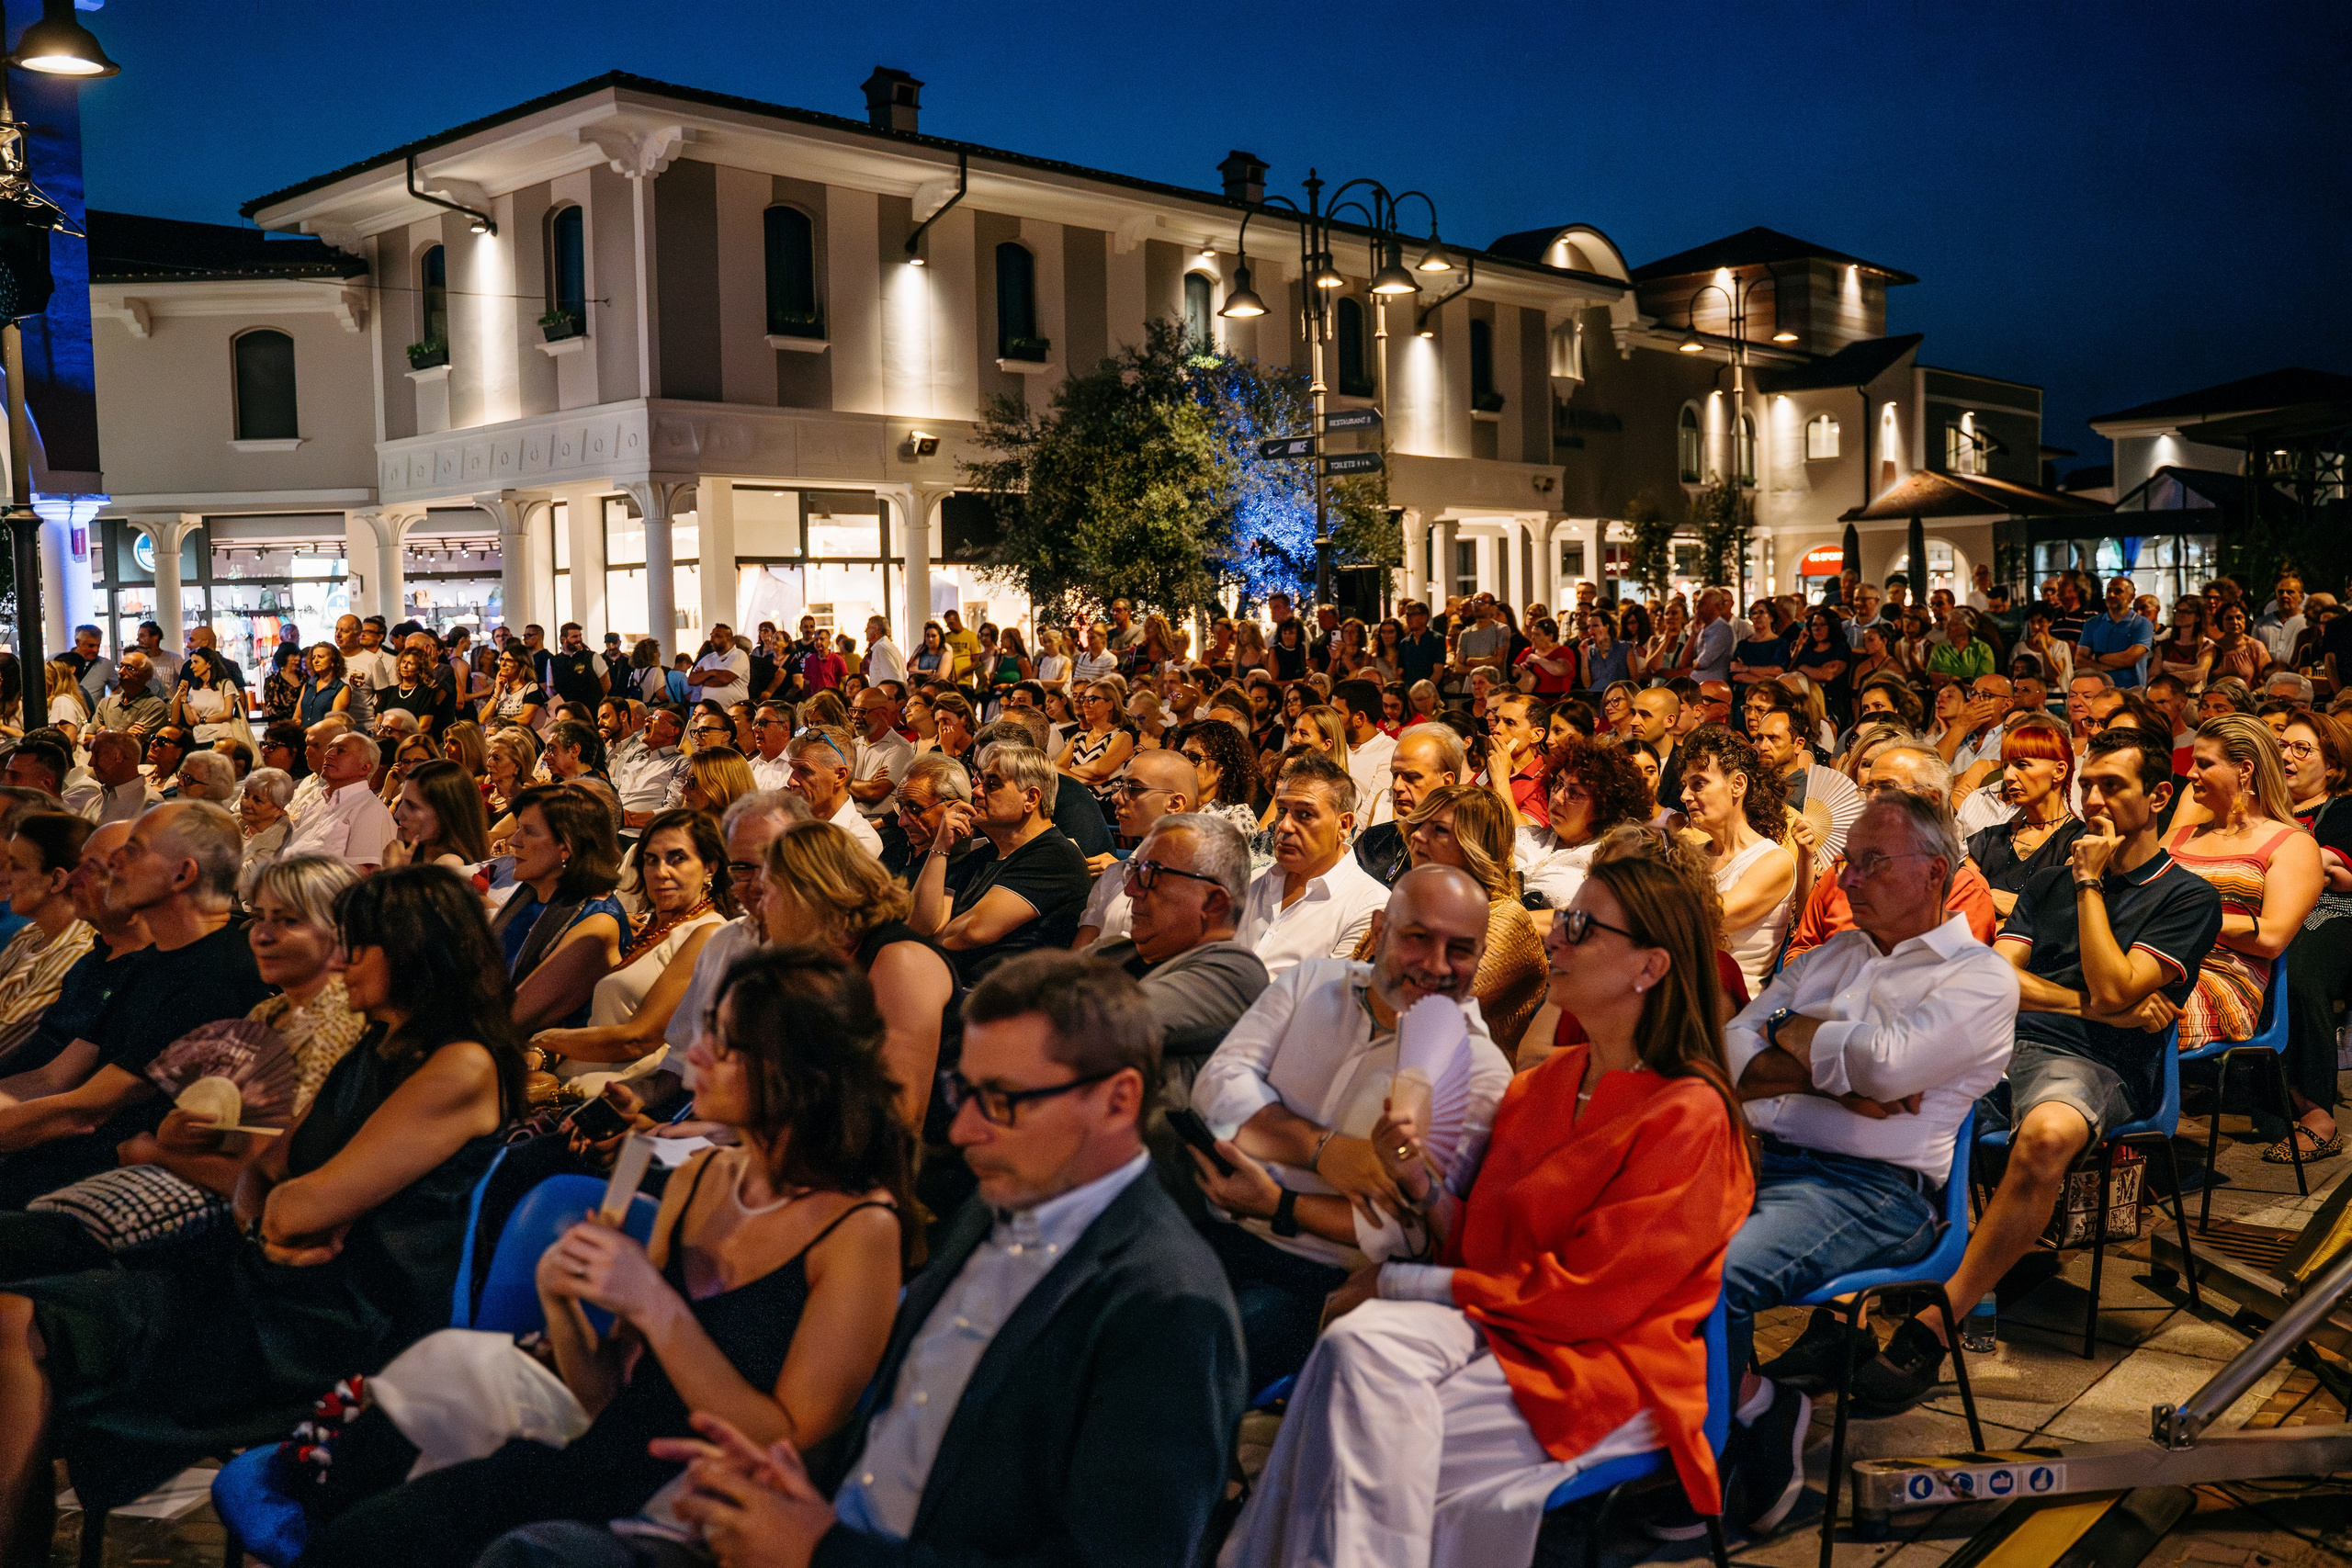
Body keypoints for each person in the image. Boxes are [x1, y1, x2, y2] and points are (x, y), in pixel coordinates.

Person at [508, 952, 1242, 1568]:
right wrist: (785, 1486)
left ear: (1118, 1101)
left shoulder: (1166, 1304)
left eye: (1002, 1100)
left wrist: (819, 1547)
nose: (959, 1127)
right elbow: (898, 1436)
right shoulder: (995, 1209)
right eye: (964, 1090)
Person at [300, 946, 911, 1568]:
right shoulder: (700, 1176)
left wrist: (654, 1302)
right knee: (361, 1523)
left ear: (797, 1072)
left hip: (689, 1519)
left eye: (724, 1045)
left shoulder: (859, 1228)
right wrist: (562, 1301)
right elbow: (606, 1396)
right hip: (596, 1465)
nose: (696, 1055)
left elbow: (786, 1447)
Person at [1227, 850, 1755, 1568]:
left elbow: (1595, 1297)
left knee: (1361, 1395)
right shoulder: (1549, 1081)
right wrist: (1419, 1182)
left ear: (1649, 967)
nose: (1555, 939)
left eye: (1581, 924)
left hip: (1599, 1360)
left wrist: (1400, 1281)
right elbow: (1482, 1240)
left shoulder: (1688, 1113)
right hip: (1502, 1323)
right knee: (1354, 1357)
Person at [0, 866, 517, 1548]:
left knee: (21, 1326)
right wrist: (268, 1217)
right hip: (268, 1278)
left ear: (413, 949)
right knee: (13, 1315)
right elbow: (267, 1169)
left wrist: (281, 1211)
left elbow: (296, 1202)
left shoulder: (461, 1066)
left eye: (355, 946)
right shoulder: (379, 1041)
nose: (339, 959)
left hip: (333, 1319)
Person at [1847, 729, 2222, 1412]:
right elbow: (2001, 978)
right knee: (1877, 1089)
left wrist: (2087, 883)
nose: (2095, 799)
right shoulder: (2045, 881)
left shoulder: (2185, 897)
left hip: (2097, 1062)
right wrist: (2102, 1004)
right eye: (2089, 785)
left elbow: (2114, 987)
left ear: (2159, 795)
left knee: (2047, 1132)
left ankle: (1935, 1326)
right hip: (2002, 1038)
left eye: (2113, 786)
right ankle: (1842, 1315)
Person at [1707, 793, 2020, 1531]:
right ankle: (1751, 1406)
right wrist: (1825, 1057)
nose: (1847, 881)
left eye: (1872, 863)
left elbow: (1884, 1067)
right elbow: (1725, 1052)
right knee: (1629, 1247)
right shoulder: (1827, 959)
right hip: (1762, 1161)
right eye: (1848, 862)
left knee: (1710, 1276)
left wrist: (1789, 1042)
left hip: (1876, 1191)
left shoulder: (1977, 977)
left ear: (1933, 872)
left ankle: (1715, 1452)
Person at [1191, 865, 1513, 1395]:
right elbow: (1218, 1090)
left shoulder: (1479, 1070)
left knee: (1187, 1359)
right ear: (1381, 926)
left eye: (1460, 949)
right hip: (1203, 1219)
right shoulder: (1310, 982)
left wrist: (1277, 1202)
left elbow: (1400, 1230)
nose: (1436, 966)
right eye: (1417, 938)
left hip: (1310, 1277)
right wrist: (1327, 1153)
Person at [0, 802, 272, 1209]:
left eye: (133, 850)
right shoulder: (152, 958)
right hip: (70, 1156)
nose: (115, 863)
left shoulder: (216, 974)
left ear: (183, 874)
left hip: (115, 1173)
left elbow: (88, 1110)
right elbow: (53, 1077)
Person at [528, 808, 734, 1096]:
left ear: (710, 867)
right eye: (651, 860)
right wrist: (543, 1053)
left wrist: (544, 1041)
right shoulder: (649, 926)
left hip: (617, 1092)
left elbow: (640, 1038)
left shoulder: (708, 933)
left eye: (678, 858)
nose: (661, 872)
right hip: (574, 1076)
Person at [2164, 716, 2322, 1055]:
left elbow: (2272, 938)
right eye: (2193, 762)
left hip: (2223, 980)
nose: (2191, 773)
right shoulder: (2180, 836)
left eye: (2204, 764)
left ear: (2245, 770)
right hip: (2155, 961)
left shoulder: (2290, 843)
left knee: (2125, 1009)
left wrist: (2189, 919)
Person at [1373, 785, 1547, 1057]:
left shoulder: (1507, 919)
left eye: (1439, 830)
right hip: (1382, 1050)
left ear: (1476, 846)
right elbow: (1360, 980)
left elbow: (1429, 1006)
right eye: (1418, 825)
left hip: (1463, 1077)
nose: (1417, 836)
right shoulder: (1412, 901)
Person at [906, 741, 1091, 983]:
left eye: (992, 785)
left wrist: (935, 935)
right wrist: (940, 848)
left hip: (1009, 1001)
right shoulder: (983, 855)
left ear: (1031, 798)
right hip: (956, 986)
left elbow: (973, 931)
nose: (976, 792)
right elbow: (921, 925)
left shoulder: (1055, 856)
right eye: (978, 782)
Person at [2277, 712, 2352, 1161]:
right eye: (2283, 745)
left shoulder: (2344, 808)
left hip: (2334, 914)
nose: (2287, 755)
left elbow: (2319, 868)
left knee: (2297, 969)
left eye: (2301, 749)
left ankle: (2317, 1114)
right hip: (2265, 909)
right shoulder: (2259, 805)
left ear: (2333, 767)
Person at [1238, 750, 1388, 976]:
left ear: (1344, 825)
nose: (1285, 826)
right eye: (1282, 810)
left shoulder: (1368, 906)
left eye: (1305, 814)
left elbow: (1332, 1001)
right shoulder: (1253, 882)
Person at [497, 785, 628, 1035]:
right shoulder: (532, 893)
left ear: (567, 847)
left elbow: (511, 1018)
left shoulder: (597, 922)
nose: (513, 841)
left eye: (529, 832)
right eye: (517, 829)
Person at [1679, 725, 1795, 991]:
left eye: (1698, 784)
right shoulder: (1691, 855)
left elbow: (1707, 917)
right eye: (1685, 785)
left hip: (1732, 1006)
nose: (1685, 796)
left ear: (1738, 785)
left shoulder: (1773, 860)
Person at [1072, 748, 1196, 951]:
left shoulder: (1199, 880)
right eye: (1121, 786)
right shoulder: (1113, 874)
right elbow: (1078, 957)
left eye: (1134, 788)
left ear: (1174, 803)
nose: (1116, 798)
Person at [0, 814, 95, 1064]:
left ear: (57, 879)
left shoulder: (75, 953)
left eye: (16, 865)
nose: (6, 875)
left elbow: (5, 1041)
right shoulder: (31, 934)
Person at [279, 732, 399, 871]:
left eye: (341, 750)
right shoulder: (315, 803)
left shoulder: (371, 811)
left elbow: (363, 874)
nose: (328, 754)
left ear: (365, 768)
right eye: (330, 748)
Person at [783, 726, 883, 857]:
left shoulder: (860, 842)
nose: (791, 781)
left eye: (805, 771)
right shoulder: (785, 825)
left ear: (840, 776)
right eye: (793, 770)